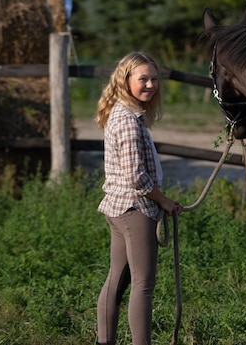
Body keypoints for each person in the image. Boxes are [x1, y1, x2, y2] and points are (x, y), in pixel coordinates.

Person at [94, 51, 182, 345]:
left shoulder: (122, 112)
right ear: (126, 79)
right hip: (135, 209)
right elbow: (136, 177)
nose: (150, 85)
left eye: (154, 79)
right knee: (143, 285)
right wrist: (164, 201)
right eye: (143, 79)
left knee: (117, 279)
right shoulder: (129, 121)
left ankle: (104, 341)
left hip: (118, 207)